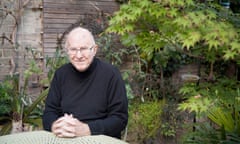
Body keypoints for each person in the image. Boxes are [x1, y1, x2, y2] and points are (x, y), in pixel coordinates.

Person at [42, 27, 128, 139]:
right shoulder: (61, 74)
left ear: (94, 50)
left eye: (83, 49)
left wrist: (88, 129)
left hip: (101, 140)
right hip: (67, 140)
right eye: (73, 49)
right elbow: (49, 112)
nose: (78, 56)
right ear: (67, 51)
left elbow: (120, 119)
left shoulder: (111, 74)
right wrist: (55, 126)